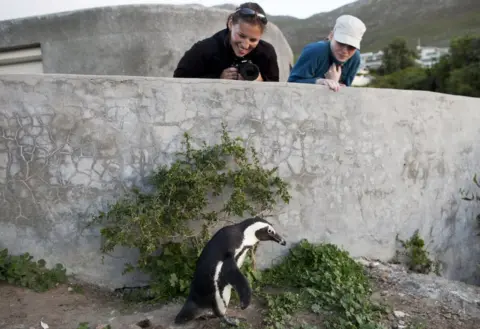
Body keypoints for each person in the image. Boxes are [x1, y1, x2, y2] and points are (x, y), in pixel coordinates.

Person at [173, 2, 279, 82]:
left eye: (253, 40)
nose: (245, 45)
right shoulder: (204, 50)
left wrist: (261, 81)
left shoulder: (266, 53)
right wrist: (217, 78)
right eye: (241, 35)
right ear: (230, 23)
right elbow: (178, 80)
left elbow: (276, 90)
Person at [288, 15, 367, 92]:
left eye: (351, 46)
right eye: (341, 42)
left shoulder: (355, 58)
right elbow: (291, 83)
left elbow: (346, 87)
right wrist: (319, 82)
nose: (345, 51)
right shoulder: (315, 51)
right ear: (331, 36)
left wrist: (336, 84)